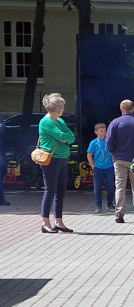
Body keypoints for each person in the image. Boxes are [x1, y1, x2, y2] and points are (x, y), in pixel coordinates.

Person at [106, 99, 134, 223]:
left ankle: (119, 214)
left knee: (119, 187)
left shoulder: (115, 123)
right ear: (133, 109)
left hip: (119, 159)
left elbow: (109, 141)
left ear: (121, 109)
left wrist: (113, 152)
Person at [38, 93, 76, 234]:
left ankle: (59, 222)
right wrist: (64, 137)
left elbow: (71, 137)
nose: (64, 109)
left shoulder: (60, 121)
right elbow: (61, 136)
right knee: (50, 191)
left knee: (61, 191)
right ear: (58, 108)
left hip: (61, 159)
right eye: (63, 107)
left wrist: (65, 137)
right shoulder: (46, 122)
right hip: (50, 160)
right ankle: (45, 223)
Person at [87, 122, 116, 213]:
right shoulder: (94, 143)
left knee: (111, 187)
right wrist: (93, 167)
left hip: (109, 167)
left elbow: (112, 153)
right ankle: (99, 206)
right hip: (98, 168)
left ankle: (110, 204)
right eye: (101, 131)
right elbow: (89, 155)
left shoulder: (108, 141)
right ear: (96, 132)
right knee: (98, 187)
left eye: (105, 131)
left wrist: (113, 164)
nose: (103, 133)